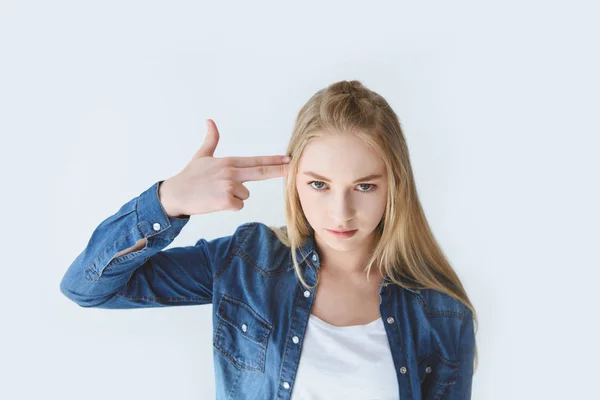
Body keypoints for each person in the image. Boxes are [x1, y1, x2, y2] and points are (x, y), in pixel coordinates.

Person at [60, 80, 477, 399]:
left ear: (395, 186)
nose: (340, 212)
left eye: (365, 187)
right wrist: (167, 202)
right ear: (294, 180)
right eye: (319, 185)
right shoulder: (246, 263)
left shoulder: (442, 312)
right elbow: (87, 288)